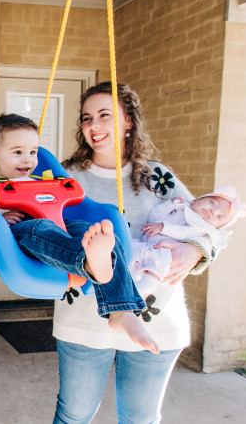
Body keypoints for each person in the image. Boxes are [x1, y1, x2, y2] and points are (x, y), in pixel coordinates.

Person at [53, 82, 216, 423]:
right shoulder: (66, 177)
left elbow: (204, 227)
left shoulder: (158, 177)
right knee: (74, 415)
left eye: (104, 116)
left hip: (156, 319)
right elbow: (37, 225)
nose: (94, 126)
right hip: (83, 317)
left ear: (129, 121)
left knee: (140, 419)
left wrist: (195, 250)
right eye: (86, 118)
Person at [0, 114, 154, 352]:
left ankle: (121, 309)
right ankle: (87, 261)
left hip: (58, 226)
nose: (28, 159)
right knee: (40, 229)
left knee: (94, 233)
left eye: (33, 152)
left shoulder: (41, 181)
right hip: (17, 235)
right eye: (17, 152)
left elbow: (68, 199)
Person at [131, 185, 246, 295]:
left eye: (219, 217)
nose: (213, 211)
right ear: (195, 200)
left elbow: (183, 232)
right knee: (131, 247)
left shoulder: (200, 228)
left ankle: (148, 283)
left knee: (161, 257)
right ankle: (128, 275)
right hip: (146, 244)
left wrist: (163, 227)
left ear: (216, 227)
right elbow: (154, 216)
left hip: (166, 250)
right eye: (212, 203)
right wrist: (170, 205)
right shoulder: (180, 208)